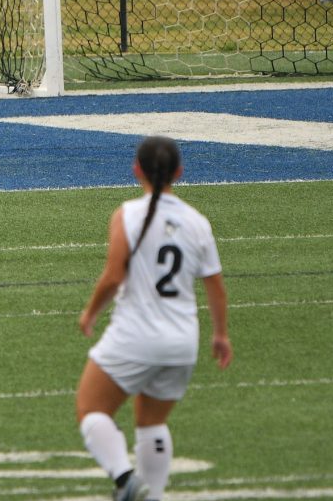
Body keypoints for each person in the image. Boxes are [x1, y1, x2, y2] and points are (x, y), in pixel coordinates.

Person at [76, 136, 232, 501]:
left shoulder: (128, 214)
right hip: (181, 342)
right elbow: (216, 286)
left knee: (90, 408)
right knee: (152, 423)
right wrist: (221, 335)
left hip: (135, 336)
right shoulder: (197, 222)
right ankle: (153, 496)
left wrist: (90, 313)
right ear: (179, 172)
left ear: (136, 170)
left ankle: (125, 478)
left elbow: (113, 277)